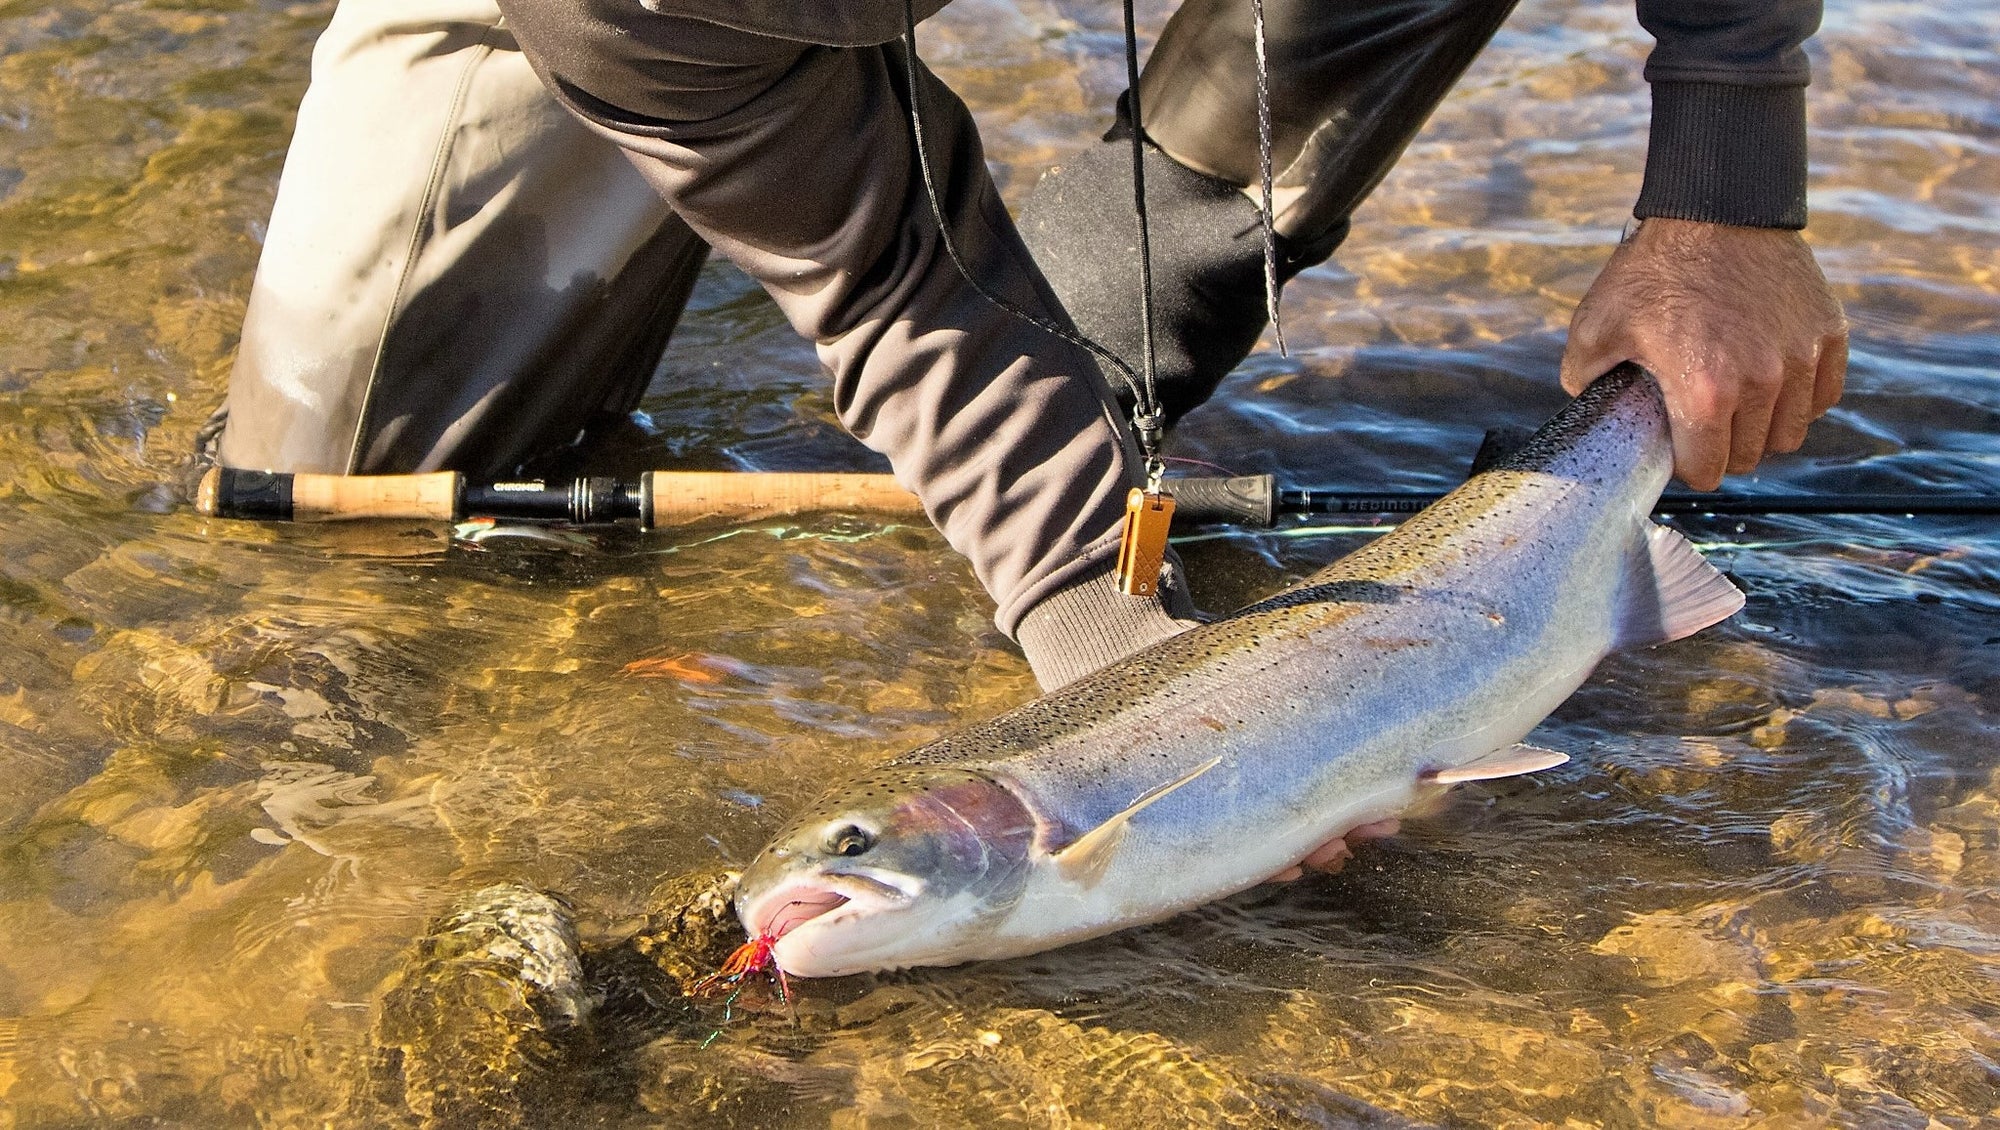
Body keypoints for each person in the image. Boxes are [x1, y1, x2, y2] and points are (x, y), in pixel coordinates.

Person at [209, 0, 1847, 694]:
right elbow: (881, 281)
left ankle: (1134, 318)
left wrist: (1727, 186)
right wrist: (1101, 628)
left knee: (1100, 354)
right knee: (344, 502)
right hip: (659, 25)